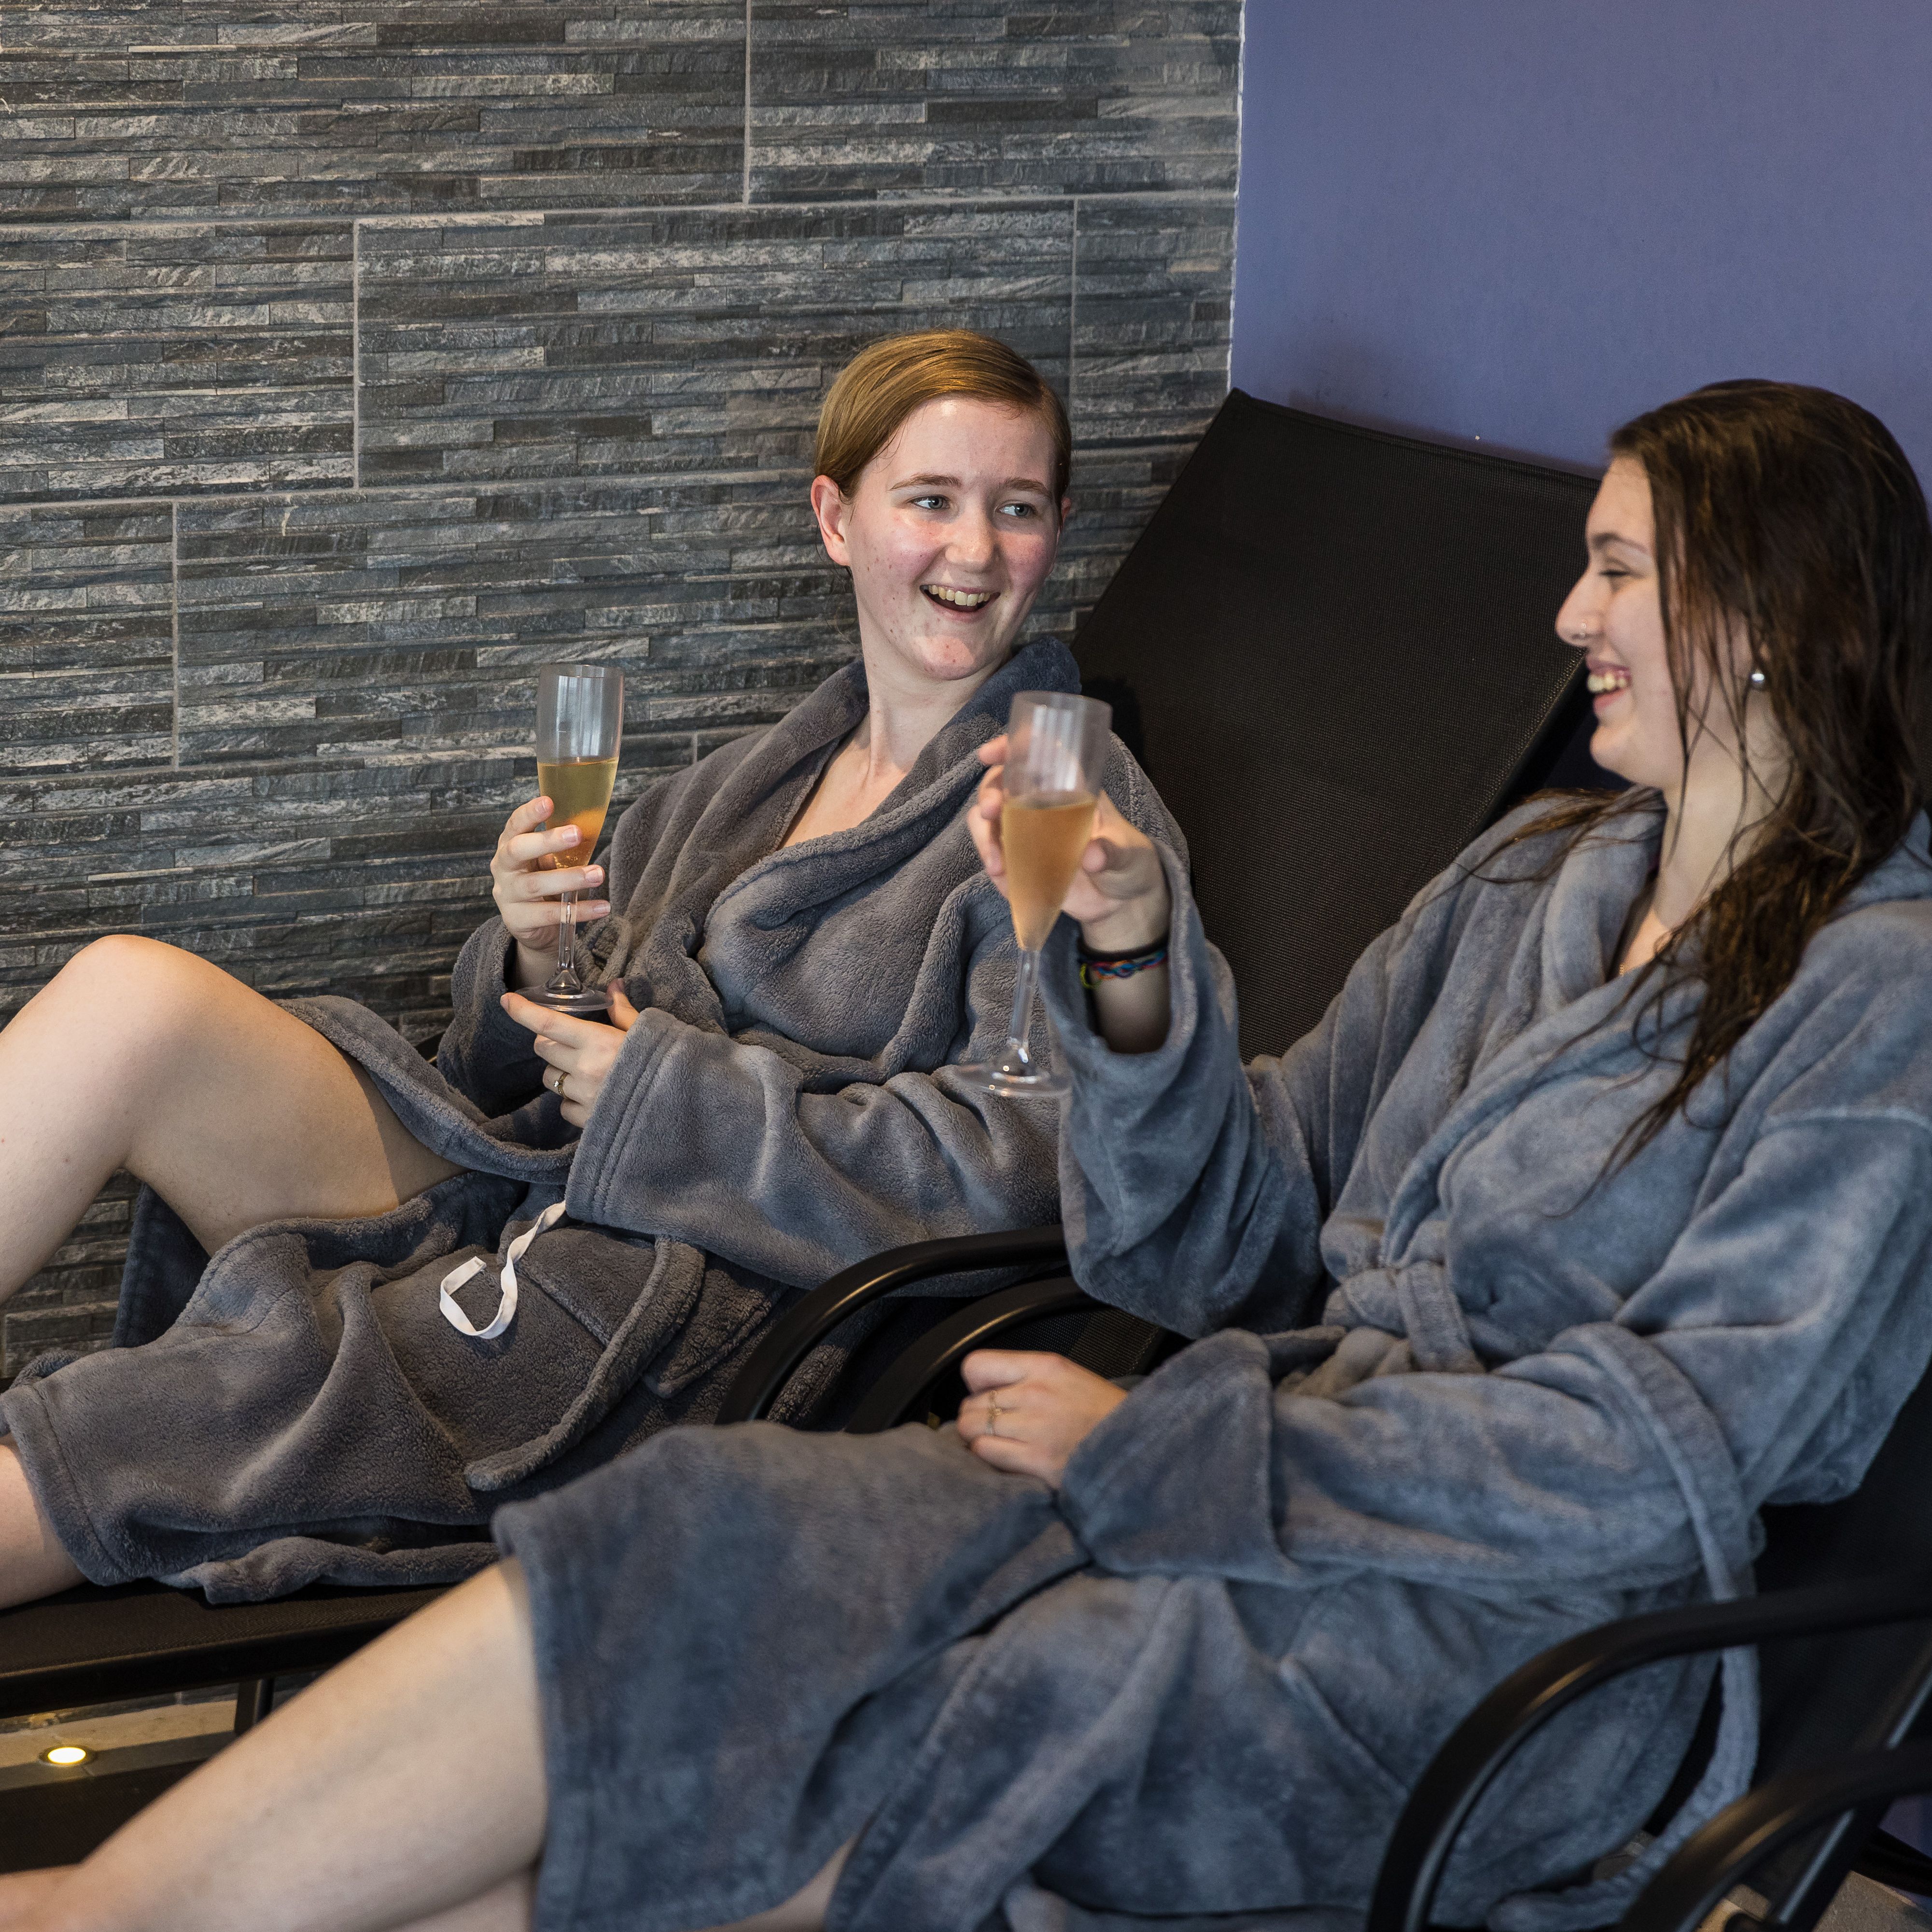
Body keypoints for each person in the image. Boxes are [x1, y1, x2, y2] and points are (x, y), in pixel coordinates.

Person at [9, 379, 1932, 1932]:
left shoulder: (1879, 993)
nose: (1565, 617)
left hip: (1481, 1638)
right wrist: (1131, 973)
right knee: (695, 1541)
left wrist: (1185, 1445)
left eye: (1614, 571)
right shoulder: (1534, 876)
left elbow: (1677, 1444)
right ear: (837, 516)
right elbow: (1234, 1218)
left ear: (1778, 621)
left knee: (839, 1746)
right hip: (1206, 1465)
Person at [0, 329, 1180, 1610]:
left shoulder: (1069, 805)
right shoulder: (744, 780)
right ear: (836, 518)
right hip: (530, 1175)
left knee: (120, 1435)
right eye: (930, 500)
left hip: (680, 1285)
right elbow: (516, 1062)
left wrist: (669, 1102)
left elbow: (1035, 1151)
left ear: (1057, 528)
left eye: (1015, 509)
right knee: (132, 999)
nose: (971, 550)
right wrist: (540, 948)